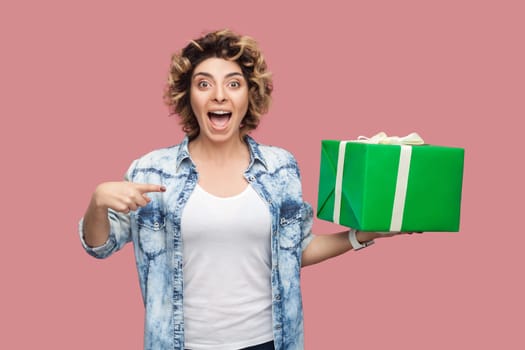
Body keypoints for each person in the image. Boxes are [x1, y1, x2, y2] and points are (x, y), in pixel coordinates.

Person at [79, 29, 408, 350]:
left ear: (249, 95)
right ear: (188, 96)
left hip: (269, 341)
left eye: (233, 84)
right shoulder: (151, 170)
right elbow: (100, 247)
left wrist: (363, 235)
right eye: (204, 83)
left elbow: (294, 252)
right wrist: (97, 203)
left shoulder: (280, 168)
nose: (219, 95)